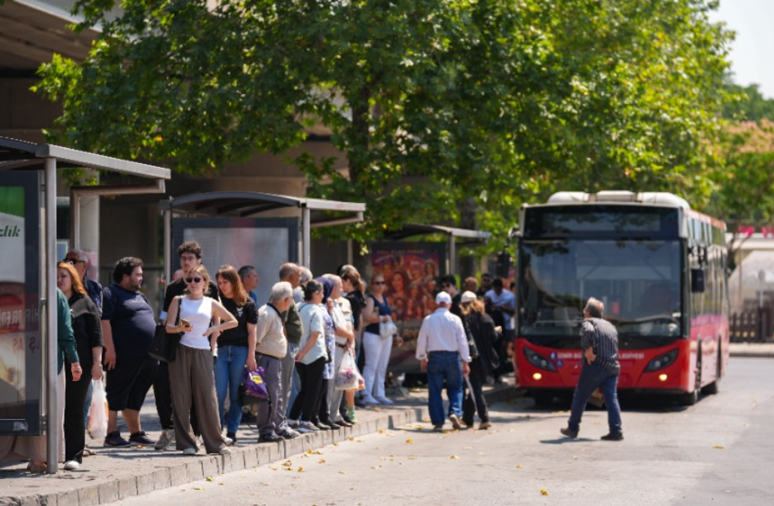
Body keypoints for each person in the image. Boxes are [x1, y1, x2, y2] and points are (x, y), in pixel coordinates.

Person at [0, 289, 81, 473]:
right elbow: (65, 331)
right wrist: (75, 360)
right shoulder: (55, 294)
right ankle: (40, 458)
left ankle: (17, 455)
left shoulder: (17, 287)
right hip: (47, 362)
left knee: (16, 409)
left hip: (14, 360)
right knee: (48, 409)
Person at [166, 265, 236, 455]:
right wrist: (180, 328)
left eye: (197, 280)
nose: (193, 283)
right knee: (181, 397)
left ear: (205, 282)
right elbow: (168, 327)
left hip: (203, 351)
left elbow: (233, 320)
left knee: (208, 397)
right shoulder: (178, 300)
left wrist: (214, 329)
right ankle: (187, 443)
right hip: (181, 350)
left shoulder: (211, 302)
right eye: (190, 280)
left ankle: (216, 443)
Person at [156, 241, 219, 451]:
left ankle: (201, 434)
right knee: (175, 392)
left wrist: (213, 343)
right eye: (183, 258)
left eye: (190, 258)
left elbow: (217, 319)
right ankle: (177, 434)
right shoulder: (174, 289)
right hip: (177, 347)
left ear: (199, 261)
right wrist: (179, 327)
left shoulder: (212, 289)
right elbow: (166, 320)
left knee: (204, 394)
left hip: (203, 346)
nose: (186, 262)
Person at [101, 257, 157, 447]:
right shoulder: (110, 293)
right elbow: (105, 322)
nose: (141, 278)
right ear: (125, 276)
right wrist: (109, 350)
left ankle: (136, 433)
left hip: (147, 356)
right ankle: (111, 434)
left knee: (136, 395)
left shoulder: (140, 295)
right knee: (116, 393)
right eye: (138, 274)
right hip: (123, 355)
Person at [58, 262, 103, 470]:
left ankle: (73, 455)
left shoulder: (85, 303)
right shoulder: (49, 301)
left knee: (74, 409)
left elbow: (96, 337)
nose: (59, 279)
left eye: (63, 276)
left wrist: (97, 364)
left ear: (73, 279)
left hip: (81, 364)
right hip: (53, 363)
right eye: (56, 276)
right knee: (54, 408)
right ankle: (50, 452)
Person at [561, 297, 623, 441]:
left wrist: (588, 351)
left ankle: (572, 428)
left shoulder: (589, 322)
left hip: (596, 365)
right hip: (612, 367)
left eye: (584, 311)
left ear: (588, 312)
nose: (583, 313)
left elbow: (587, 331)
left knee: (580, 396)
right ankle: (616, 431)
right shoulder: (610, 326)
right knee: (611, 398)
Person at [215, 265, 258, 443]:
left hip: (241, 351)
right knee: (218, 393)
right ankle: (216, 430)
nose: (222, 286)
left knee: (235, 393)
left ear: (234, 282)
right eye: (219, 282)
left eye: (225, 282)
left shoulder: (247, 303)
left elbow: (252, 332)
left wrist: (251, 355)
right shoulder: (216, 301)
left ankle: (232, 431)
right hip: (221, 351)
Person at [416, 291, 470, 432]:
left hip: (434, 357)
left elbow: (422, 341)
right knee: (456, 387)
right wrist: (466, 361)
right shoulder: (456, 319)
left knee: (435, 390)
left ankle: (438, 422)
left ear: (436, 303)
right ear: (449, 305)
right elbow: (462, 341)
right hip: (453, 357)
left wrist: (423, 357)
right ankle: (455, 412)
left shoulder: (429, 319)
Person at [254, 282, 295, 442]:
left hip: (273, 360)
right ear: (286, 300)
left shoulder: (273, 312)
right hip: (266, 360)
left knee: (275, 395)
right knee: (269, 397)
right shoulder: (267, 314)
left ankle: (278, 426)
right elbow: (255, 340)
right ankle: (266, 430)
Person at [289, 280, 327, 432]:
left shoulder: (298, 306)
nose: (323, 296)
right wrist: (304, 351)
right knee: (313, 389)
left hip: (298, 354)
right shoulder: (316, 310)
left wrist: (299, 351)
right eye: (322, 292)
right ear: (316, 293)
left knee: (304, 388)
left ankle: (292, 418)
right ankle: (305, 420)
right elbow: (315, 334)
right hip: (314, 355)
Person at [459, 291, 499, 430]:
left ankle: (484, 418)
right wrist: (497, 331)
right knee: (475, 388)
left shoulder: (465, 321)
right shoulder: (486, 318)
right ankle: (467, 418)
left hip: (472, 359)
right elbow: (493, 338)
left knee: (475, 389)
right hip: (486, 361)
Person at [361, 273, 401, 405]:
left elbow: (389, 320)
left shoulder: (385, 299)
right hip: (373, 335)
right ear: (372, 285)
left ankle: (379, 393)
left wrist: (396, 335)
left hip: (386, 336)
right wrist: (381, 318)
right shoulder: (370, 299)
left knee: (382, 366)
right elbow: (367, 316)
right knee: (371, 365)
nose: (380, 286)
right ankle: (366, 393)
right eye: (377, 283)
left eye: (382, 283)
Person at [324, 274, 355, 427]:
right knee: (331, 384)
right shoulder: (328, 304)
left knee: (339, 384)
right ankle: (328, 414)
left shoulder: (337, 304)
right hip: (334, 347)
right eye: (340, 286)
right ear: (333, 288)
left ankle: (335, 415)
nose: (342, 289)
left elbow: (346, 323)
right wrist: (349, 335)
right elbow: (335, 327)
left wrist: (350, 340)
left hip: (343, 347)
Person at [278, 263, 303, 438]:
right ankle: (281, 424)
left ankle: (281, 422)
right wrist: (285, 344)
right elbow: (282, 323)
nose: (300, 279)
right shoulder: (285, 293)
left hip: (289, 345)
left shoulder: (288, 293)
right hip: (286, 346)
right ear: (290, 277)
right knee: (285, 385)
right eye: (298, 275)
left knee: (287, 385)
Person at [339, 266, 365, 423]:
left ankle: (349, 409)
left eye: (343, 282)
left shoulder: (350, 299)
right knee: (350, 372)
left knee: (347, 373)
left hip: (349, 337)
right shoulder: (359, 297)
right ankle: (350, 409)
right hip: (355, 336)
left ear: (348, 281)